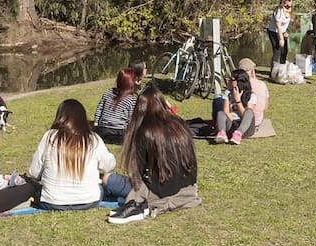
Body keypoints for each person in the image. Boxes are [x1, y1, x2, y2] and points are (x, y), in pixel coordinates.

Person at [109, 87, 200, 223]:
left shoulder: (144, 131)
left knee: (108, 180)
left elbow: (139, 174)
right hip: (185, 186)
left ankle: (137, 205)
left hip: (157, 190)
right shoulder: (180, 125)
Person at [28, 99, 130, 211]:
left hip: (52, 201)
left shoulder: (49, 137)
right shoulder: (93, 139)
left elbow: (34, 172)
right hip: (89, 200)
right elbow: (108, 166)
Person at [212, 58, 270, 144]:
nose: (229, 81)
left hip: (246, 126)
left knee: (249, 111)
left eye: (232, 80)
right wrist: (234, 122)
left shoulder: (251, 95)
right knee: (221, 113)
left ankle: (238, 133)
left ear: (239, 81)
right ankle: (222, 133)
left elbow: (245, 115)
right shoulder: (228, 93)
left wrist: (238, 100)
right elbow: (226, 111)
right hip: (232, 123)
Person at [94, 68, 138, 144]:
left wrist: (96, 122)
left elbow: (99, 108)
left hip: (102, 131)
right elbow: (131, 119)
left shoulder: (108, 92)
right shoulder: (132, 99)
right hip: (120, 133)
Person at [267, 0, 293, 67]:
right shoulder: (279, 10)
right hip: (274, 32)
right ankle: (273, 72)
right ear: (284, 1)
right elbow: (278, 25)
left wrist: (286, 31)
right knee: (277, 51)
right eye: (289, 0)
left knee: (285, 51)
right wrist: (281, 39)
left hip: (282, 32)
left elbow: (286, 24)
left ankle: (282, 68)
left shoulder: (289, 9)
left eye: (292, 0)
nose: (291, 2)